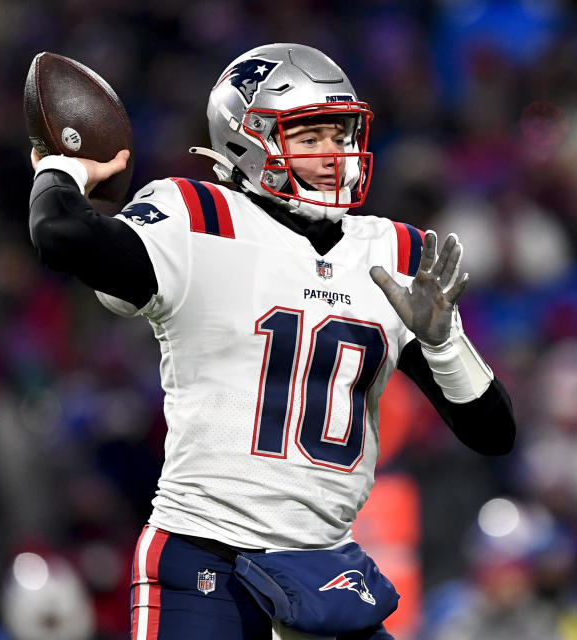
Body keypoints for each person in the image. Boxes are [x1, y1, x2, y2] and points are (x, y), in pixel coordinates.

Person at [27, 43, 515, 640]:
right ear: (246, 141)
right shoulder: (196, 217)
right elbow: (61, 233)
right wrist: (63, 166)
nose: (335, 154)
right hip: (208, 558)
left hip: (325, 568)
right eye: (309, 138)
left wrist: (442, 345)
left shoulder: (391, 252)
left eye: (340, 133)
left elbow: (494, 434)